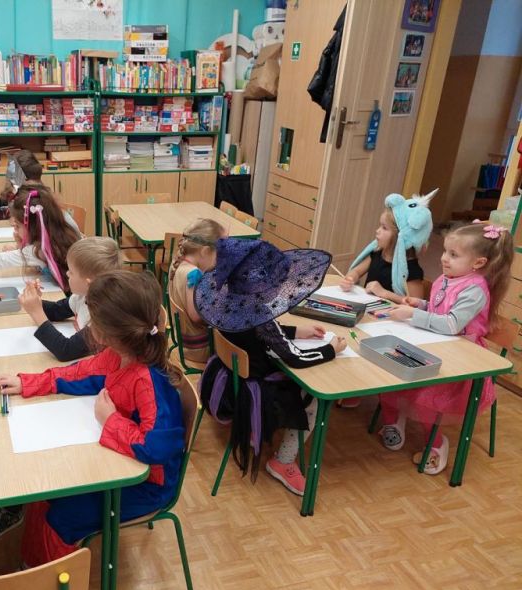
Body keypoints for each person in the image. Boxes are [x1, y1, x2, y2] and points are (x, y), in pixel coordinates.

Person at [0, 271, 184, 566]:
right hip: (120, 461)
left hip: (148, 485)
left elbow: (156, 448)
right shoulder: (119, 353)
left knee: (61, 516)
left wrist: (111, 420)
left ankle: (48, 579)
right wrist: (28, 382)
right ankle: (34, 567)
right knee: (43, 489)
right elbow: (80, 374)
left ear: (107, 332)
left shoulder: (149, 381)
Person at [194, 238, 349, 496]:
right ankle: (283, 462)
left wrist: (296, 330)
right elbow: (295, 357)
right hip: (256, 393)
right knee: (313, 400)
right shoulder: (261, 317)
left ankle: (257, 433)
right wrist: (331, 349)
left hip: (230, 382)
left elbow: (260, 332)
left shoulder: (229, 304)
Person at [378, 222, 513, 474]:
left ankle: (437, 442)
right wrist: (419, 305)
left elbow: (451, 324)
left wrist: (412, 315)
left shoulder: (475, 289)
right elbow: (438, 309)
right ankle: (394, 421)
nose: (443, 258)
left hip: (460, 358)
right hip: (435, 344)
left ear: (478, 263)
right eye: (445, 251)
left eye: (453, 254)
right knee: (388, 372)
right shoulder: (446, 278)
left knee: (427, 397)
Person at [0, 185, 80, 293]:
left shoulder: (39, 250)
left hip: (68, 300)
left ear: (33, 227)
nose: (15, 230)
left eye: (17, 226)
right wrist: (20, 244)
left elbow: (1, 260)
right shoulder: (59, 233)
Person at [18, 236, 122, 362]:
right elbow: (56, 311)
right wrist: (34, 300)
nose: (67, 273)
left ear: (88, 283)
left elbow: (66, 350)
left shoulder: (104, 317)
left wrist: (36, 312)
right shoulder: (83, 296)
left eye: (71, 272)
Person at [341, 190, 436, 304]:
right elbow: (356, 271)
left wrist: (384, 293)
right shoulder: (377, 253)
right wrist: (350, 279)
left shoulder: (411, 270)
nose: (377, 231)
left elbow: (417, 305)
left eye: (384, 228)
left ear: (399, 237)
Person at [167, 218, 227, 365]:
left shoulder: (178, 263)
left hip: (183, 340)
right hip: (199, 348)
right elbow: (197, 317)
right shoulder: (193, 274)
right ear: (205, 251)